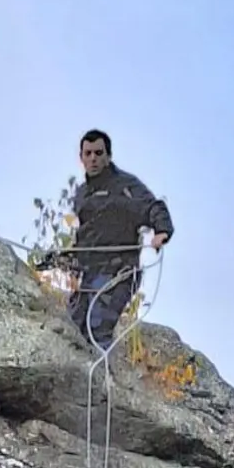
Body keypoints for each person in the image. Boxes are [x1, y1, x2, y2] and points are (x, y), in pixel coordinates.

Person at [63, 128, 176, 352]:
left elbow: (153, 207)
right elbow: (85, 234)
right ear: (81, 158)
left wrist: (161, 232)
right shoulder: (81, 194)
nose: (93, 159)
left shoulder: (125, 186)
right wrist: (71, 259)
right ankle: (86, 372)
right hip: (89, 274)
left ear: (108, 156)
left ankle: (102, 371)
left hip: (119, 271)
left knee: (97, 327)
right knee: (73, 328)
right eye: (88, 154)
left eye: (98, 153)